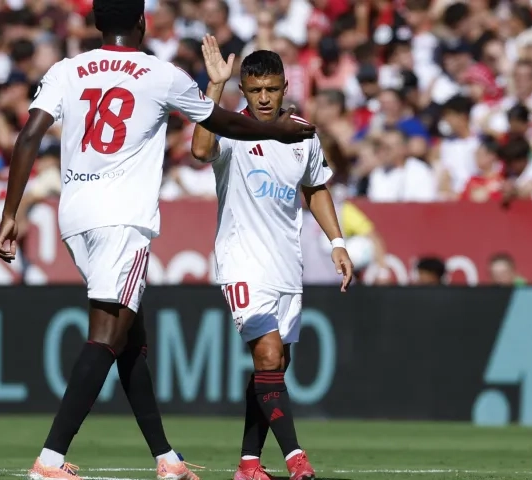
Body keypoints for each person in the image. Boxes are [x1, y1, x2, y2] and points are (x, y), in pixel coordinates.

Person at [0, 0, 317, 478]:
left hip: (75, 215)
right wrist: (279, 132)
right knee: (106, 336)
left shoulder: (67, 70)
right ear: (142, 23)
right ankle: (50, 459)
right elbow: (220, 124)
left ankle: (167, 460)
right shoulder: (159, 74)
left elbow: (27, 137)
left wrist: (9, 214)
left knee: (130, 337)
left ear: (97, 23)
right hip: (122, 219)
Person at [190, 36, 354, 480]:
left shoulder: (302, 133)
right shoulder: (230, 127)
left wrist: (338, 243)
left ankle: (247, 464)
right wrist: (214, 87)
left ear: (285, 88)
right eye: (256, 89)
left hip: (286, 265)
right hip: (241, 261)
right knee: (266, 356)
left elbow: (316, 188)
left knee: (275, 369)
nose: (264, 97)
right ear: (243, 89)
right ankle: (296, 459)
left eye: (272, 89)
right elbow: (200, 151)